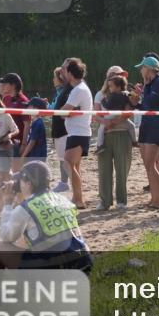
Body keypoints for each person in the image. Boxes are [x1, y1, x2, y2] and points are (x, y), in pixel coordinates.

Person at [0, 160, 91, 272]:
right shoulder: (62, 199)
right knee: (25, 241)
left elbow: (6, 236)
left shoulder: (26, 208)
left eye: (20, 180)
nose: (18, 183)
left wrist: (7, 204)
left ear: (28, 184)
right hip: (83, 264)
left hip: (58, 270)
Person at [132, 56, 159, 209]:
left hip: (156, 126)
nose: (141, 70)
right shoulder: (149, 84)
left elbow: (150, 103)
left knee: (151, 165)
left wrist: (140, 98)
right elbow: (145, 107)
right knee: (147, 165)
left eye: (142, 68)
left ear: (148, 69)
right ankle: (154, 198)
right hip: (146, 124)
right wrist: (135, 103)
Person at [95, 76, 134, 211]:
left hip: (122, 133)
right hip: (106, 134)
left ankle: (122, 201)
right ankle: (105, 201)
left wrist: (117, 121)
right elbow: (96, 115)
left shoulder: (125, 94)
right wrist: (107, 123)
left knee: (122, 169)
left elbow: (129, 111)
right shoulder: (100, 95)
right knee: (104, 170)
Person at [59, 59, 92, 209]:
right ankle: (76, 198)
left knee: (68, 164)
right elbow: (68, 112)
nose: (63, 73)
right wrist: (70, 113)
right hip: (78, 132)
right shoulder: (80, 88)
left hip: (79, 133)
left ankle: (79, 199)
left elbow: (63, 112)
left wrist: (68, 113)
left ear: (71, 74)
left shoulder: (78, 89)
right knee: (75, 167)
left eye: (65, 71)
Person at [0, 73, 29, 174]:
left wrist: (24, 144)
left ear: (13, 85)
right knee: (4, 171)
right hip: (6, 141)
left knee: (16, 172)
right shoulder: (6, 98)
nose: (3, 86)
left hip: (18, 142)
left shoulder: (23, 101)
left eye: (5, 83)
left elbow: (27, 124)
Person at [19, 97, 49, 165]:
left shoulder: (37, 123)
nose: (26, 108)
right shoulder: (36, 122)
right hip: (37, 156)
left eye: (29, 106)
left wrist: (23, 156)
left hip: (37, 157)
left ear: (35, 109)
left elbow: (32, 142)